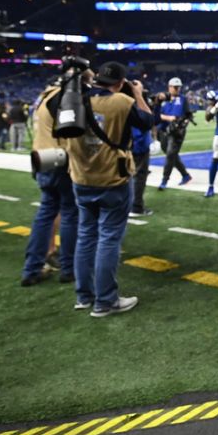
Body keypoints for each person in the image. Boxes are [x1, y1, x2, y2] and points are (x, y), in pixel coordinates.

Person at [67, 61, 153, 317]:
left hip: (81, 177)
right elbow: (147, 120)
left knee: (85, 237)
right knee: (108, 238)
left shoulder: (77, 100)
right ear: (120, 83)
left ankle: (84, 296)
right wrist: (137, 93)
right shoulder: (122, 102)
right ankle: (105, 301)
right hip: (112, 178)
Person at [21, 80, 77, 286]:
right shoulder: (63, 97)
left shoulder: (43, 97)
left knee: (45, 214)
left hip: (41, 159)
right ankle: (69, 268)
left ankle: (31, 268)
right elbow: (72, 132)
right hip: (59, 160)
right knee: (70, 213)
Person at [156, 77, 195, 190]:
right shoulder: (162, 99)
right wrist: (169, 118)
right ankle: (185, 175)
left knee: (170, 154)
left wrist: (184, 123)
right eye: (175, 87)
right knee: (171, 155)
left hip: (176, 132)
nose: (178, 89)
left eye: (179, 87)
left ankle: (164, 180)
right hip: (163, 130)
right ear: (169, 87)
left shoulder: (183, 100)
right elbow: (156, 114)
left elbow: (188, 115)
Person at [129, 80, 154, 217]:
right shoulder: (136, 103)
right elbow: (148, 120)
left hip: (131, 143)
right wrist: (138, 94)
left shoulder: (123, 101)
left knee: (131, 176)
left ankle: (131, 204)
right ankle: (136, 206)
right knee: (139, 176)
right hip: (139, 144)